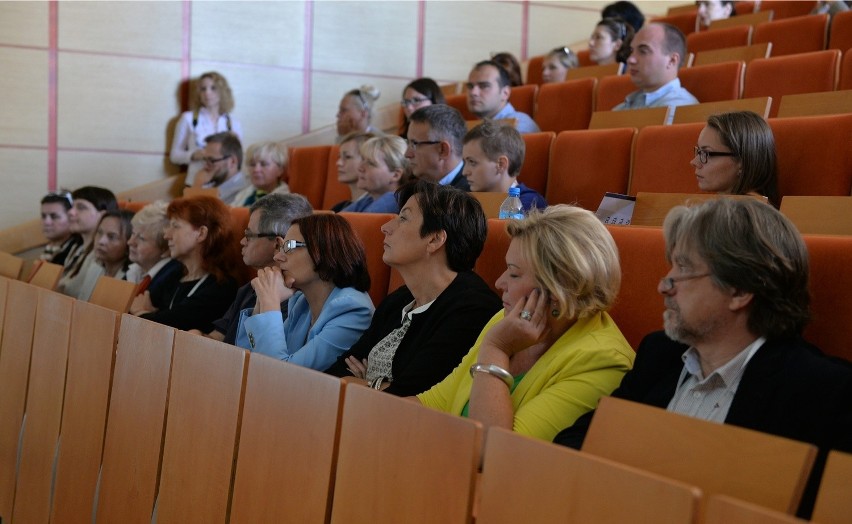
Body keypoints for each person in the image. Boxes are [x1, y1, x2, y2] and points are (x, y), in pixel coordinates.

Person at [553, 198, 852, 516]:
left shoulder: (825, 394)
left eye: (683, 269)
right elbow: (575, 442)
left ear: (739, 290)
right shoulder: (659, 354)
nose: (663, 285)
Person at [417, 205, 634, 441]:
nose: (499, 282)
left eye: (514, 273)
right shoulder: (508, 319)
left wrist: (495, 349)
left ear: (560, 286)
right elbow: (433, 402)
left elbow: (497, 452)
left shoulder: (603, 363)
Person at [326, 181, 503, 396]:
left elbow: (411, 396)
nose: (385, 227)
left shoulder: (472, 310)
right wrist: (373, 386)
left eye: (403, 218)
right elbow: (336, 374)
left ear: (435, 239)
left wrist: (365, 382)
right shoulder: (399, 300)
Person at [236, 214, 374, 371]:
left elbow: (278, 376)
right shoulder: (301, 302)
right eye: (282, 248)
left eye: (290, 246)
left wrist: (270, 301)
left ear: (324, 250)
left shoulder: (352, 310)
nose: (278, 256)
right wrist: (262, 300)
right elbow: (245, 360)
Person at [196, 193, 313, 345]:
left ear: (278, 244)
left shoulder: (297, 302)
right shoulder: (248, 289)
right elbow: (220, 337)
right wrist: (198, 337)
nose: (242, 241)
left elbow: (262, 353)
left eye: (249, 235)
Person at [130, 196, 242, 333]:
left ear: (201, 233)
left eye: (175, 226)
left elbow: (170, 325)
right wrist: (150, 314)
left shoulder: (221, 287)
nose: (166, 236)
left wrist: (141, 312)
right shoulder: (173, 274)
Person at [613, 22, 698, 124]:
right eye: (632, 51)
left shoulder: (682, 108)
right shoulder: (620, 108)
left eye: (643, 51)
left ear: (672, 61)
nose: (630, 60)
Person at [170, 71, 243, 186]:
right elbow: (174, 155)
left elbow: (238, 158)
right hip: (196, 183)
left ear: (222, 91)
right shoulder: (188, 119)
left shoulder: (233, 123)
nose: (207, 93)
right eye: (203, 89)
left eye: (213, 88)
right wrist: (194, 155)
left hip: (226, 186)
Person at [692, 111, 779, 206]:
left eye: (707, 153)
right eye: (699, 151)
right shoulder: (721, 207)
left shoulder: (748, 214)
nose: (694, 162)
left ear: (742, 162)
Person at [462, 121, 546, 211]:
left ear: (501, 164)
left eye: (472, 162)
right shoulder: (469, 201)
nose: (464, 172)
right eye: (465, 162)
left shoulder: (529, 203)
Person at [57, 186, 118, 299]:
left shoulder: (101, 254)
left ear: (103, 215)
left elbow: (79, 296)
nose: (71, 212)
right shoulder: (77, 247)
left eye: (81, 207)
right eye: (71, 207)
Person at [125, 201, 183, 297]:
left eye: (141, 238)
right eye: (133, 234)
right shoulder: (135, 270)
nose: (130, 242)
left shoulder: (170, 280)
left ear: (165, 249)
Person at [405, 105, 470, 190]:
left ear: (443, 150)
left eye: (414, 144)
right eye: (408, 143)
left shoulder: (472, 194)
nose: (407, 154)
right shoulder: (417, 188)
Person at [466, 60, 540, 134]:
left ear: (505, 93)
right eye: (470, 86)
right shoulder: (469, 128)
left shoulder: (520, 124)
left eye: (484, 86)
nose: (473, 92)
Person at [342, 135, 409, 213]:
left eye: (370, 163)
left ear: (395, 175)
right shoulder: (369, 199)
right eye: (363, 159)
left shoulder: (392, 199)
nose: (360, 168)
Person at [190, 132, 249, 206]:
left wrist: (197, 185)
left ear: (232, 162)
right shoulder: (215, 182)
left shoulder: (240, 192)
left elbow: (188, 214)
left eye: (211, 160)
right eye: (205, 159)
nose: (205, 166)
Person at [232, 141, 290, 207]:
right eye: (252, 164)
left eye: (264, 164)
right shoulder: (243, 193)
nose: (256, 170)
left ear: (280, 170)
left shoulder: (284, 200)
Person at [332, 132, 376, 211]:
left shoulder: (374, 208)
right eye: (339, 157)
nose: (338, 163)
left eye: (347, 157)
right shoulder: (338, 208)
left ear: (367, 160)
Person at [39, 190, 76, 264]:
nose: (47, 222)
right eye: (43, 216)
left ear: (72, 217)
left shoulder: (74, 253)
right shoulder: (50, 247)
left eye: (54, 216)